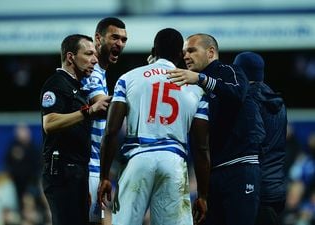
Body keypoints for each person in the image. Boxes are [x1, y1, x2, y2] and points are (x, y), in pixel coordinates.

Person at [97, 28, 210, 225]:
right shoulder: (195, 89)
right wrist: (202, 195)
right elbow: (201, 147)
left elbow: (111, 131)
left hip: (137, 158)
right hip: (173, 161)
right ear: (180, 55)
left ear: (153, 50)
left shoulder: (128, 78)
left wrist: (104, 176)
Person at [167, 34, 264, 225]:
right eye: (185, 52)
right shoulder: (192, 86)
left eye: (192, 50)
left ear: (211, 52)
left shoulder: (229, 70)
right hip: (212, 173)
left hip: (240, 167)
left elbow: (237, 93)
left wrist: (201, 79)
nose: (186, 56)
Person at [40, 34, 110, 225]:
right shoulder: (56, 84)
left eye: (95, 54)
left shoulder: (77, 87)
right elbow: (50, 123)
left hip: (77, 173)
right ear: (71, 57)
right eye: (88, 54)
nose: (94, 60)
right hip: (62, 172)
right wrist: (87, 112)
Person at [80, 17, 127, 225]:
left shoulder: (102, 73)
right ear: (98, 39)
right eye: (114, 37)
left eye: (124, 39)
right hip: (88, 168)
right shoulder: (92, 72)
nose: (120, 43)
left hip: (96, 169)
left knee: (98, 221)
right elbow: (102, 105)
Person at [233, 51, 288, 225]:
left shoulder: (249, 99)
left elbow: (254, 140)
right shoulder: (278, 102)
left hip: (255, 190)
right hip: (276, 187)